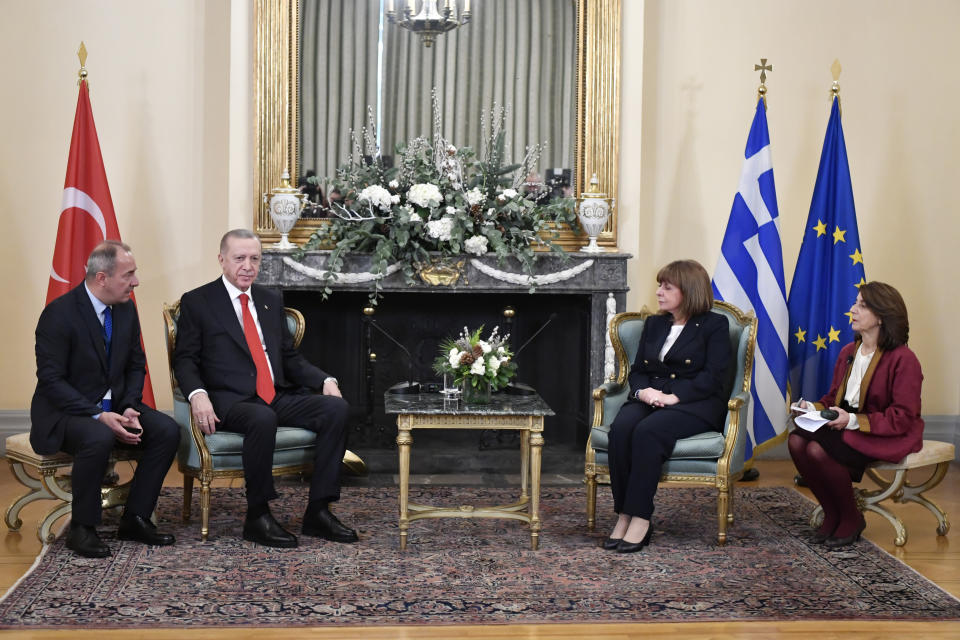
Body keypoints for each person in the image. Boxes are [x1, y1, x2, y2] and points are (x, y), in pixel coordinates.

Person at [173, 229, 355, 548]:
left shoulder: (270, 300)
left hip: (276, 395)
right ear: (222, 260)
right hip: (229, 400)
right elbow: (185, 360)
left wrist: (325, 380)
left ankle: (318, 511)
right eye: (239, 258)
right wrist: (197, 395)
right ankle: (257, 515)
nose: (248, 266)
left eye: (254, 259)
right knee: (260, 418)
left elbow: (289, 358)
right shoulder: (198, 301)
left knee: (336, 408)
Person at [31, 241, 179, 558]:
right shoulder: (59, 315)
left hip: (115, 406)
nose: (136, 282)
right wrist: (98, 415)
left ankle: (136, 518)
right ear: (102, 278)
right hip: (65, 413)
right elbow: (51, 381)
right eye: (129, 274)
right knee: (98, 435)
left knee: (167, 430)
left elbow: (135, 364)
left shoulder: (125, 308)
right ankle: (82, 529)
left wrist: (128, 406)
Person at [605, 259, 731, 553]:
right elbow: (637, 370)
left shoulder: (715, 325)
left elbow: (714, 376)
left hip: (695, 403)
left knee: (648, 432)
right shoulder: (655, 323)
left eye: (667, 286)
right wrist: (643, 392)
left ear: (688, 290)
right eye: (659, 285)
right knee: (621, 429)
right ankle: (624, 513)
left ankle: (640, 518)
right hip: (652, 397)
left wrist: (675, 397)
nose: (659, 292)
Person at [789, 282, 923, 548]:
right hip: (846, 425)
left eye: (862, 305)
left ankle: (850, 517)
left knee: (817, 449)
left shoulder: (904, 359)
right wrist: (813, 408)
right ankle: (833, 512)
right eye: (855, 303)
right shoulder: (847, 353)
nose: (852, 310)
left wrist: (851, 421)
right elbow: (833, 399)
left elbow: (902, 417)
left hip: (885, 432)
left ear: (881, 316)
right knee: (796, 441)